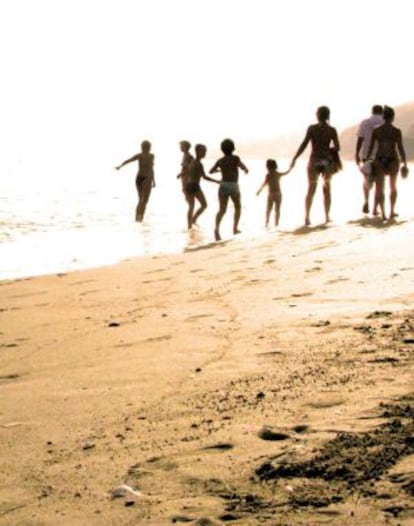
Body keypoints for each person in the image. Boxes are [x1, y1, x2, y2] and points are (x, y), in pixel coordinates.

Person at [290, 106, 341, 226]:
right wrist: (328, 149)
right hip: (327, 161)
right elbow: (338, 148)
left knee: (311, 189)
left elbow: (304, 144)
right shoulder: (332, 130)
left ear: (318, 115)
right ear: (328, 115)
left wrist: (295, 158)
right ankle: (327, 217)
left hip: (314, 161)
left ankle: (307, 217)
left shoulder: (312, 129)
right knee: (327, 189)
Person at [366, 105, 407, 220]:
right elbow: (400, 148)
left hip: (379, 160)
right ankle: (392, 211)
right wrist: (404, 163)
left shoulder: (376, 130)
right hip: (393, 160)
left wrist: (368, 161)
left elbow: (371, 148)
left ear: (383, 117)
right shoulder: (396, 131)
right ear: (392, 117)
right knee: (393, 186)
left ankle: (383, 213)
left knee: (380, 188)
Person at [209, 138, 249, 241]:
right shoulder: (236, 158)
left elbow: (211, 171)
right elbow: (243, 167)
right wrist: (245, 170)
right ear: (233, 148)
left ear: (222, 149)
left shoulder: (220, 161)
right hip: (234, 185)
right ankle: (235, 228)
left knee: (222, 209)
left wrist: (219, 170)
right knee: (238, 207)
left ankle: (217, 229)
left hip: (223, 185)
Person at [115, 140, 155, 222]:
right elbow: (129, 160)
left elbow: (152, 168)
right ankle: (139, 218)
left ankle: (138, 219)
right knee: (143, 200)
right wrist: (120, 166)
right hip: (145, 178)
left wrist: (154, 180)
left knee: (142, 200)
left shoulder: (149, 156)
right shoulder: (146, 156)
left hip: (142, 178)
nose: (144, 148)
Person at [355, 105, 383, 214]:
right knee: (379, 182)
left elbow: (360, 139)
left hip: (366, 155)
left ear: (372, 111)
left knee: (367, 179)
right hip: (379, 155)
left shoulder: (365, 122)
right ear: (381, 112)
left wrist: (357, 154)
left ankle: (366, 201)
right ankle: (377, 208)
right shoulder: (383, 122)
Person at [185, 144, 220, 230]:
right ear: (198, 152)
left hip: (189, 185)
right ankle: (192, 221)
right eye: (204, 151)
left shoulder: (192, 161)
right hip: (194, 185)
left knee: (191, 206)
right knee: (204, 205)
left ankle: (190, 225)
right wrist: (217, 181)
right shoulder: (198, 163)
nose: (205, 153)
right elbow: (204, 177)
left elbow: (187, 172)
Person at [256, 159, 290, 227]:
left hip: (271, 194)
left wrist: (259, 191)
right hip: (278, 193)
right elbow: (286, 173)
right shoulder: (277, 173)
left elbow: (264, 184)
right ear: (275, 166)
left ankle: (267, 223)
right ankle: (276, 224)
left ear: (267, 167)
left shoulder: (268, 175)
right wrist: (291, 168)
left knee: (269, 209)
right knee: (277, 209)